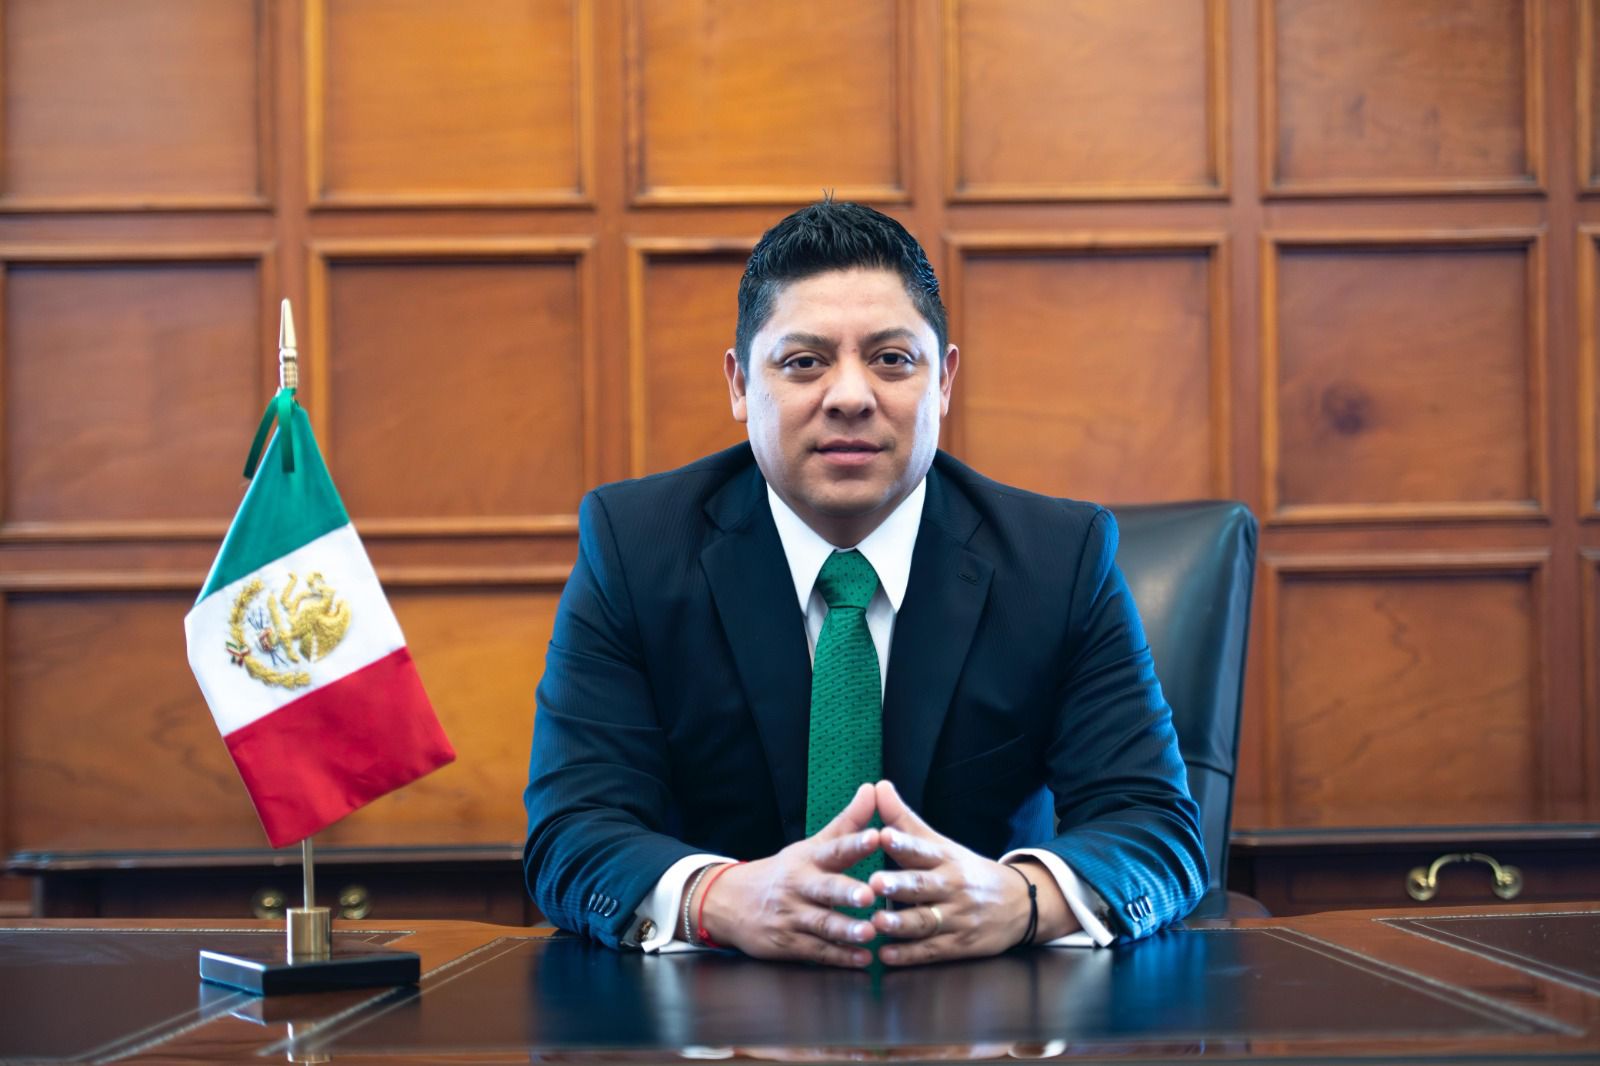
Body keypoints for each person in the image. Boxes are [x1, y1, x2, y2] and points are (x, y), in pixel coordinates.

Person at [524, 200, 1204, 968]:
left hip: (983, 1001)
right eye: (804, 362)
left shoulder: (1058, 560)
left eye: (891, 359)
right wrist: (716, 898)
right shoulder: (636, 548)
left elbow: (1156, 827)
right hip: (717, 1002)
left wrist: (1018, 901)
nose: (850, 395)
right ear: (740, 384)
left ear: (943, 381)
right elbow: (573, 830)